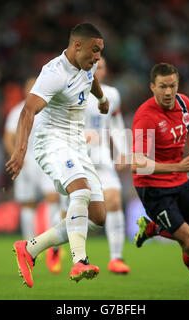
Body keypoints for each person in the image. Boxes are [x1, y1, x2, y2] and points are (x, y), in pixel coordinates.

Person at [6, 23, 109, 287]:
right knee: (81, 191)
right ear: (77, 45)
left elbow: (92, 79)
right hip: (52, 142)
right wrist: (20, 151)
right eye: (94, 51)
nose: (98, 57)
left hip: (77, 145)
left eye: (100, 52)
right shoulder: (53, 73)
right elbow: (27, 111)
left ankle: (29, 249)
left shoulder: (89, 64)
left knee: (97, 218)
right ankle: (79, 261)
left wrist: (101, 98)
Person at [132, 63, 189, 297]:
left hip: (180, 182)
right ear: (152, 87)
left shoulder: (184, 102)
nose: (168, 92)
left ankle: (153, 228)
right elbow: (136, 163)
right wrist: (178, 166)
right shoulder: (145, 117)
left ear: (178, 85)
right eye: (162, 86)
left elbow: (188, 129)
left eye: (172, 85)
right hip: (153, 188)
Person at [4, 77, 63, 274]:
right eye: (30, 86)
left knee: (53, 198)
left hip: (46, 159)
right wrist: (16, 156)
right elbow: (8, 137)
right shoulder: (18, 110)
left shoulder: (48, 107)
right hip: (26, 161)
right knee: (27, 204)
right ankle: (31, 247)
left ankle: (52, 248)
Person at [84, 57, 130, 274]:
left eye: (100, 67)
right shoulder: (71, 92)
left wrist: (122, 150)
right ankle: (56, 248)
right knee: (68, 212)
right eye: (93, 67)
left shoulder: (112, 95)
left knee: (113, 201)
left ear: (105, 70)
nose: (96, 71)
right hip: (76, 159)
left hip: (102, 158)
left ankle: (116, 258)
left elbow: (115, 122)